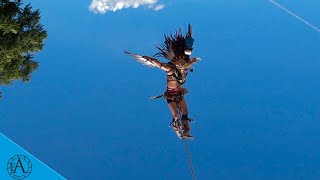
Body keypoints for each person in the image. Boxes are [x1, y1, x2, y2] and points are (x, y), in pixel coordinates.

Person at [125, 24, 200, 139]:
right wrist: (151, 60)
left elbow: (185, 62)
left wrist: (191, 60)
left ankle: (186, 130)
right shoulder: (170, 69)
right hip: (172, 95)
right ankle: (178, 129)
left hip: (177, 94)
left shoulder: (182, 69)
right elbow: (160, 65)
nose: (182, 67)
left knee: (184, 113)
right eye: (181, 66)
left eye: (183, 67)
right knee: (176, 115)